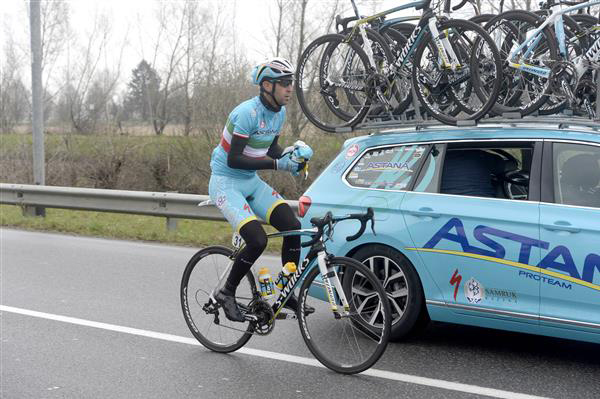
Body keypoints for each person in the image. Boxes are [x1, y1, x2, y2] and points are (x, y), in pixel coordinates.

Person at [208, 57, 313, 322]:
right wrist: (278, 164)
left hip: (250, 180)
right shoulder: (245, 113)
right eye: (285, 83)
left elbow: (272, 150)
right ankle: (227, 292)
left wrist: (292, 158)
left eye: (291, 83)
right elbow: (235, 159)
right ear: (267, 85)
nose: (290, 88)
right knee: (258, 239)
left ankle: (287, 291)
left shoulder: (280, 113)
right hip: (226, 181)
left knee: (293, 226)